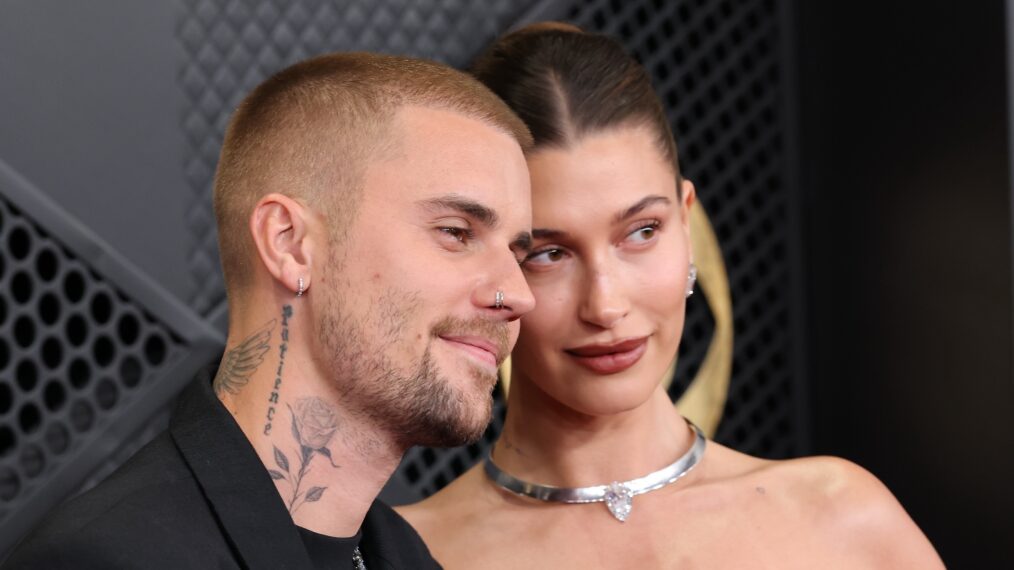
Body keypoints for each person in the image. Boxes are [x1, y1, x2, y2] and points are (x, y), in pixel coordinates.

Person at [397, 23, 945, 569]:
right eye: (548, 254)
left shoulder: (841, 519)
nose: (606, 307)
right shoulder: (410, 555)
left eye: (641, 232)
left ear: (686, 225)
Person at [4, 52, 536, 569]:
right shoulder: (110, 558)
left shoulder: (404, 557)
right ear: (289, 244)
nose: (518, 294)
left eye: (518, 253)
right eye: (456, 232)